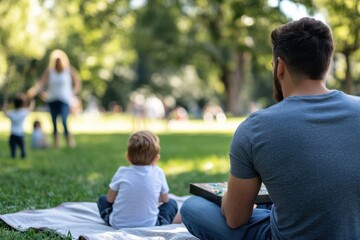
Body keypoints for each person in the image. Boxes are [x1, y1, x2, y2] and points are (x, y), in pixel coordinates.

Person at [180, 17, 360, 240]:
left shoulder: (255, 128)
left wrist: (229, 197)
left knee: (193, 207)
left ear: (280, 66)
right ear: (327, 62)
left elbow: (235, 218)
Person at [97, 130, 178, 229]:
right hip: (150, 225)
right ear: (156, 158)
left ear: (127, 157)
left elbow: (110, 199)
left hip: (118, 224)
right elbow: (165, 199)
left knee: (102, 199)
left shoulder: (122, 172)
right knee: (171, 203)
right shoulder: (158, 172)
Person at [27, 49, 81, 148]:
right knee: (54, 121)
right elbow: (41, 83)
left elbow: (77, 83)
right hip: (52, 99)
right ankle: (56, 142)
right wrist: (35, 91)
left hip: (64, 99)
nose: (57, 63)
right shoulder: (50, 71)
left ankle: (69, 140)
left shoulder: (69, 70)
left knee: (64, 120)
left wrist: (73, 93)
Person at [2, 93, 35, 159]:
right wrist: (32, 101)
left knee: (13, 150)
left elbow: (4, 113)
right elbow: (31, 108)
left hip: (13, 134)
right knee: (23, 149)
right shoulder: (23, 112)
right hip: (20, 134)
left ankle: (14, 156)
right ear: (22, 104)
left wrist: (5, 104)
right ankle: (23, 157)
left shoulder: (12, 113)